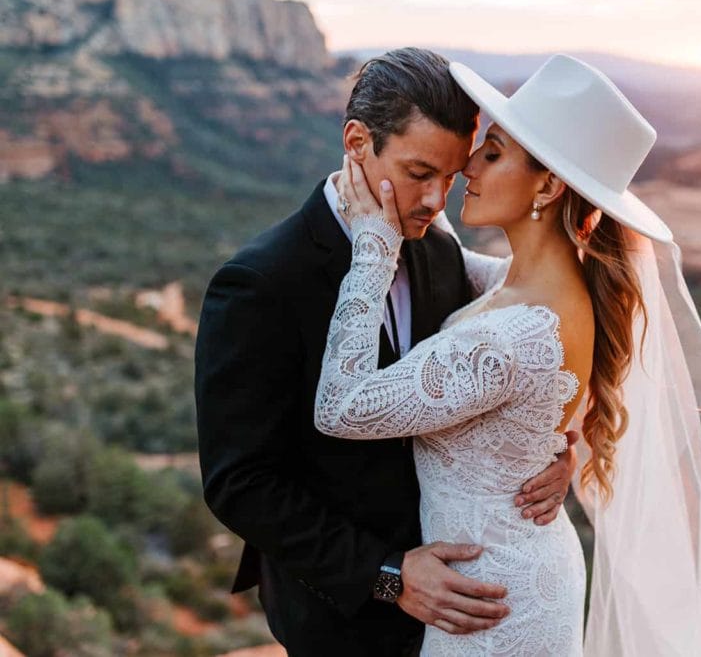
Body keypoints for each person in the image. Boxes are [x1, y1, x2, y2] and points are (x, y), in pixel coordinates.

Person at [317, 54, 701, 655]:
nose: (467, 170)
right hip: (508, 577)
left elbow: (343, 407)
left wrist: (372, 249)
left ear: (548, 184)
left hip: (494, 609)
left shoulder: (517, 336)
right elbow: (455, 268)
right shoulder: (540, 289)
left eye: (492, 153)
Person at [194, 48, 577, 656]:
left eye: (451, 178)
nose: (435, 200)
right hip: (344, 617)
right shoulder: (261, 282)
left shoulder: (439, 250)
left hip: (469, 609)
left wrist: (553, 452)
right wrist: (388, 573)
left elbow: (527, 366)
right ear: (357, 142)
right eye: (420, 172)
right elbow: (239, 482)